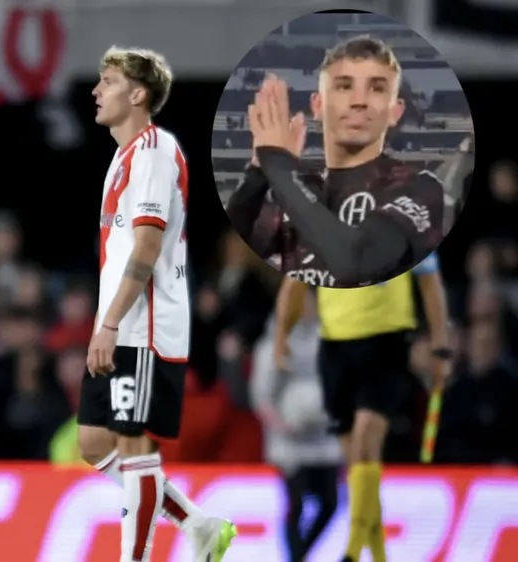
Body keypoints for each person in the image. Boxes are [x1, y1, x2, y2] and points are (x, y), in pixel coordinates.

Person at [76, 46, 235, 562]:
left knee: (134, 445)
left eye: (108, 81)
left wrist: (110, 323)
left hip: (142, 325)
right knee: (94, 444)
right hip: (120, 324)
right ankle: (199, 524)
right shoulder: (124, 156)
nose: (96, 91)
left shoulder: (153, 151)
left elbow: (146, 249)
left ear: (138, 94)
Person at [273, 250, 450, 562]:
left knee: (366, 442)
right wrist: (280, 335)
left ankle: (353, 551)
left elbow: (429, 280)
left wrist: (440, 347)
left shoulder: (408, 217)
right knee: (357, 461)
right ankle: (379, 555)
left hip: (387, 342)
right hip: (336, 349)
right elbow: (295, 281)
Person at [227, 36, 446, 288]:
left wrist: (278, 167)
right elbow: (241, 244)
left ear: (395, 111)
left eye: (376, 88)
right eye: (344, 86)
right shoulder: (298, 186)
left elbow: (357, 264)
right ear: (317, 105)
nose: (359, 101)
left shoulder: (419, 188)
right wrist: (258, 172)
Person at [250, 293, 341, 562]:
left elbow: (337, 384)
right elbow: (262, 396)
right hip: (288, 443)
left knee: (330, 503)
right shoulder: (273, 345)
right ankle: (296, 556)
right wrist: (284, 425)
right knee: (296, 505)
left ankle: (301, 556)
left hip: (323, 440)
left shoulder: (327, 342)